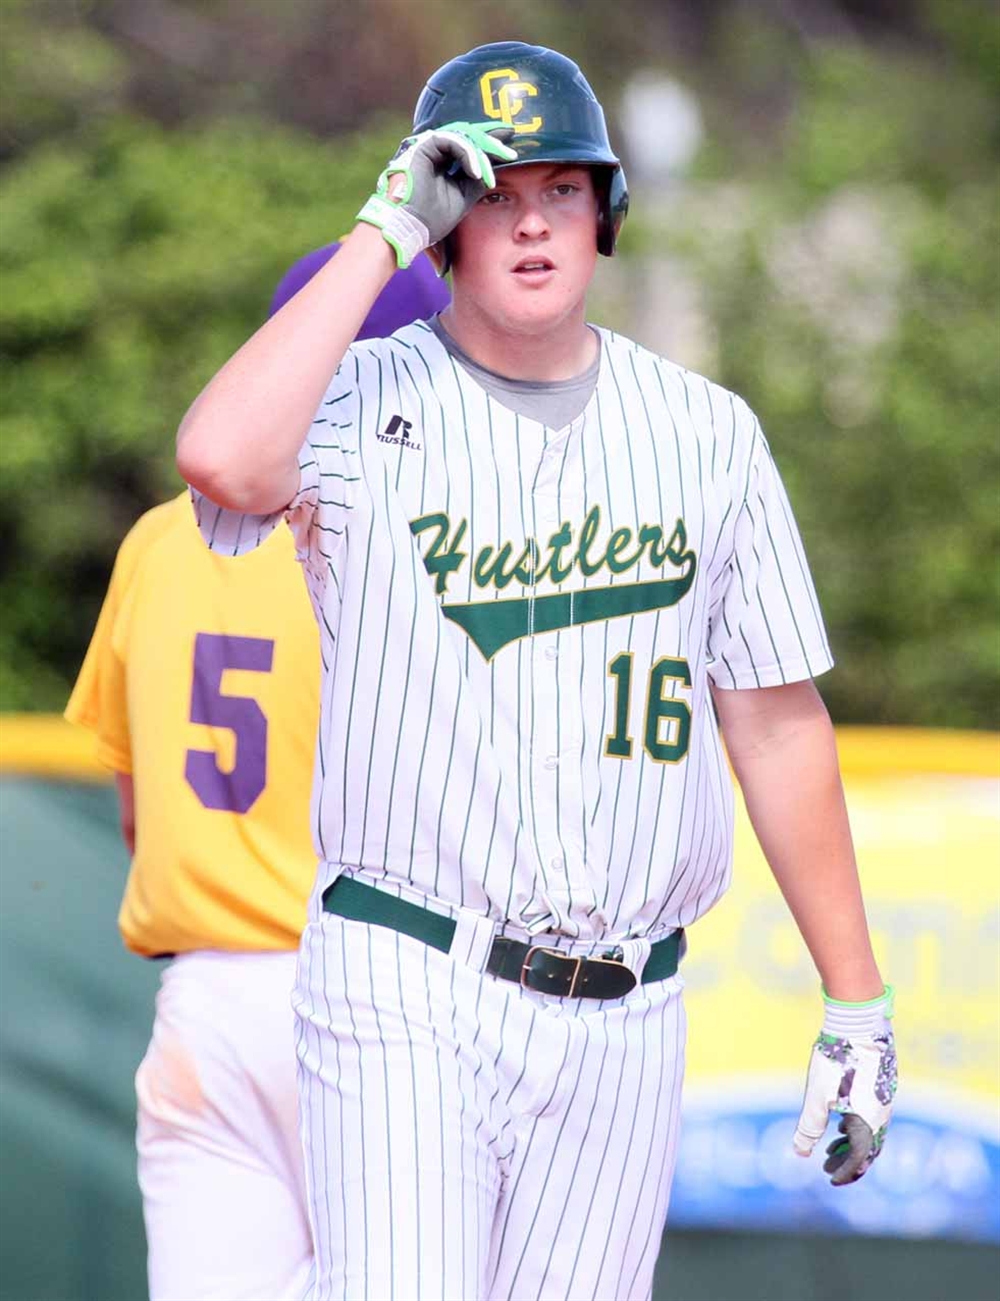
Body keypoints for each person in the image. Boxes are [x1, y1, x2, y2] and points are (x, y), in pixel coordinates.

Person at [175, 41, 898, 1301]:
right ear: (446, 226)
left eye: (559, 189)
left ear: (605, 214)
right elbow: (226, 460)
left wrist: (856, 1001)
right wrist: (385, 224)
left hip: (626, 1004)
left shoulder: (705, 431)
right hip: (407, 969)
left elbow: (777, 721)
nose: (528, 223)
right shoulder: (353, 402)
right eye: (490, 193)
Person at [64, 249, 449, 1301]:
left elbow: (140, 812)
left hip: (207, 1008)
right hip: (375, 1001)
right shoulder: (417, 542)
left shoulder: (156, 540)